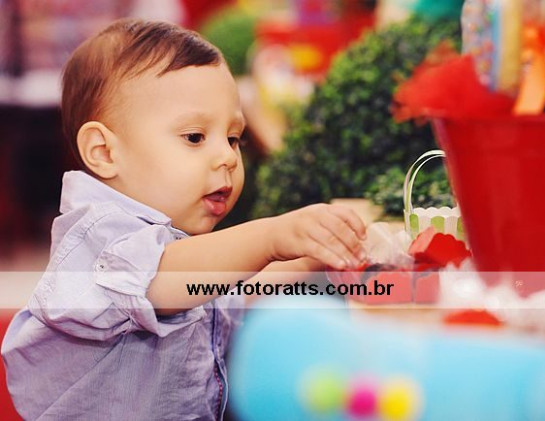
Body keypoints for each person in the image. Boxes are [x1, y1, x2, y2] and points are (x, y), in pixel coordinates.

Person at [1, 19, 367, 420]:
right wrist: (272, 236)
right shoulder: (99, 237)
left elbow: (232, 293)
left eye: (234, 138)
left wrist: (312, 252)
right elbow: (164, 279)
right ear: (104, 152)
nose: (227, 157)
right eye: (195, 137)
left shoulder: (181, 250)